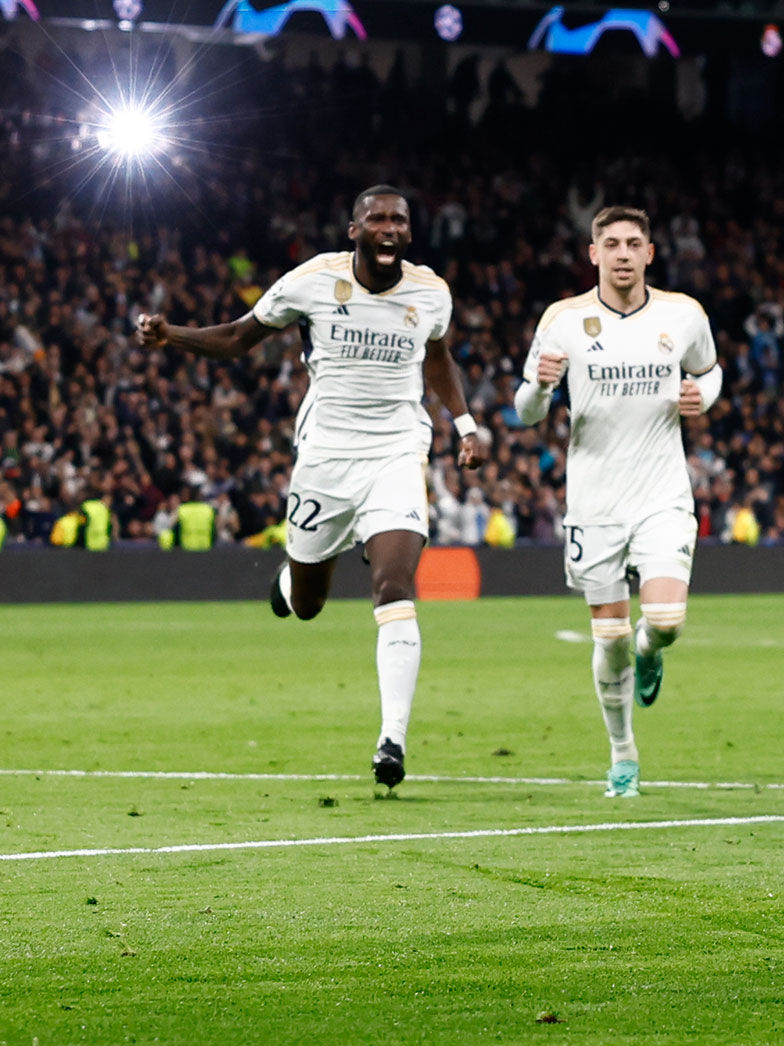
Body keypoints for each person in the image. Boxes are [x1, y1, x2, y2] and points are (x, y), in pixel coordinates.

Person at [137, 185, 482, 790]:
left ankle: (392, 740)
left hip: (397, 449)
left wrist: (466, 422)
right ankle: (289, 579)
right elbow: (241, 336)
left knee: (395, 584)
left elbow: (438, 358)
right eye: (375, 218)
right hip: (325, 457)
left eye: (399, 219)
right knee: (308, 604)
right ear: (354, 229)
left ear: (409, 230)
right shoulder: (312, 280)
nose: (388, 228)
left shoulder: (430, 292)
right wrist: (174, 336)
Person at [514, 206, 720, 798]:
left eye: (634, 242)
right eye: (612, 243)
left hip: (661, 493)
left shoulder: (683, 315)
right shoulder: (563, 321)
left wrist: (700, 394)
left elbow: (711, 371)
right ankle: (623, 755)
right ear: (593, 253)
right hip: (594, 501)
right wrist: (540, 386)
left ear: (651, 253)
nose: (623, 253)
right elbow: (526, 413)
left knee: (664, 621)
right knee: (609, 638)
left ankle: (651, 654)